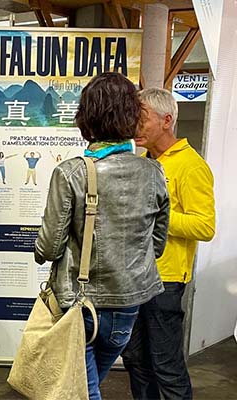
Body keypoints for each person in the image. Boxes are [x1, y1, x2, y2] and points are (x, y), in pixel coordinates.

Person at [34, 72, 170, 400]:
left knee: (82, 391)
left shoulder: (71, 172)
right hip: (128, 304)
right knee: (85, 385)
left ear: (86, 118)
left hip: (80, 304)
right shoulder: (154, 172)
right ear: (132, 118)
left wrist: (40, 249)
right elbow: (158, 244)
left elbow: (50, 246)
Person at [122, 88, 216, 400]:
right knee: (135, 360)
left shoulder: (191, 165)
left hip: (166, 281)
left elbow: (205, 225)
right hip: (134, 278)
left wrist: (158, 216)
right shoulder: (141, 162)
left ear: (166, 120)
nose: (134, 124)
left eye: (142, 117)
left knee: (166, 365)